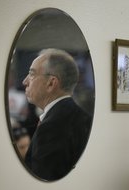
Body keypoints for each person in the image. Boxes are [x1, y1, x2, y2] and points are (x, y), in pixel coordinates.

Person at [23, 48, 92, 181]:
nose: (25, 81)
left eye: (31, 74)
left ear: (51, 83)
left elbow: (42, 182)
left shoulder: (52, 128)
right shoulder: (79, 116)